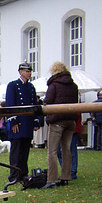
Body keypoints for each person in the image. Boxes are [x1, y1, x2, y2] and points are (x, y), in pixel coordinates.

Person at [41, 61, 78, 189]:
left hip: (58, 120)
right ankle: (66, 177)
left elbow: (48, 102)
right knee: (66, 149)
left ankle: (51, 179)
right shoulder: (73, 85)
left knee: (52, 151)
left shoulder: (54, 85)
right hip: (71, 120)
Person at [5, 61, 40, 182]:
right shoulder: (13, 85)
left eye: (30, 71)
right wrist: (13, 121)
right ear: (20, 72)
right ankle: (14, 175)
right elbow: (10, 104)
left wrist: (36, 121)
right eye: (26, 71)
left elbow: (34, 105)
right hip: (18, 122)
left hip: (27, 122)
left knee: (25, 150)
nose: (29, 73)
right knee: (16, 151)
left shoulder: (31, 87)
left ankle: (23, 173)